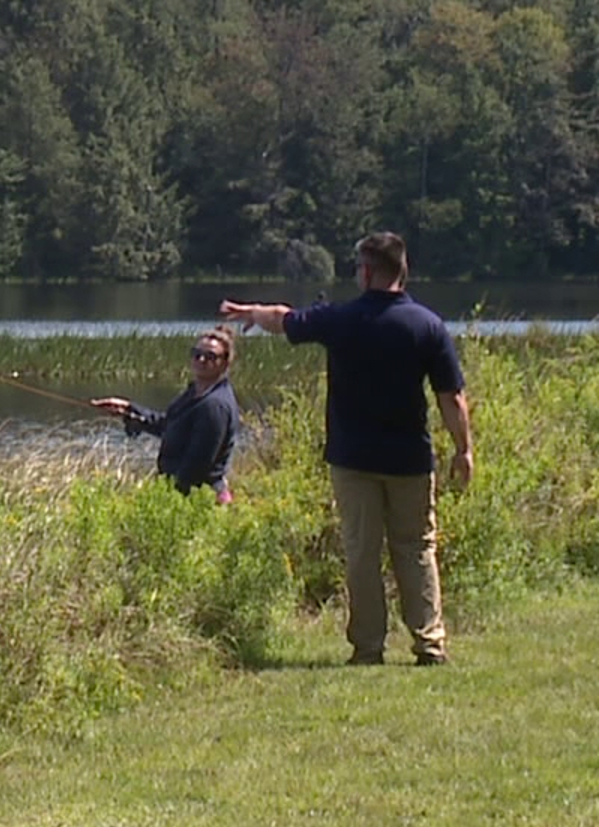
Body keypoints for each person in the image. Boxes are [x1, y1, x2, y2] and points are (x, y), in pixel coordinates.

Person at [220, 231, 473, 666]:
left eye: (359, 267)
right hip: (410, 459)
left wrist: (251, 312)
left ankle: (369, 648)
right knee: (416, 548)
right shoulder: (427, 324)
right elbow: (451, 397)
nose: (357, 273)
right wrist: (462, 450)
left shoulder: (340, 319)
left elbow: (285, 319)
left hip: (353, 460)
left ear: (369, 271)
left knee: (362, 552)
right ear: (403, 270)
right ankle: (430, 644)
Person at [91, 326, 240, 503]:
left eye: (210, 356)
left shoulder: (215, 406)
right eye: (196, 353)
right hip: (184, 496)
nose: (201, 359)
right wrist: (128, 409)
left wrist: (167, 500)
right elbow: (167, 425)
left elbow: (197, 466)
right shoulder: (195, 393)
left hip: (200, 500)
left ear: (224, 363)